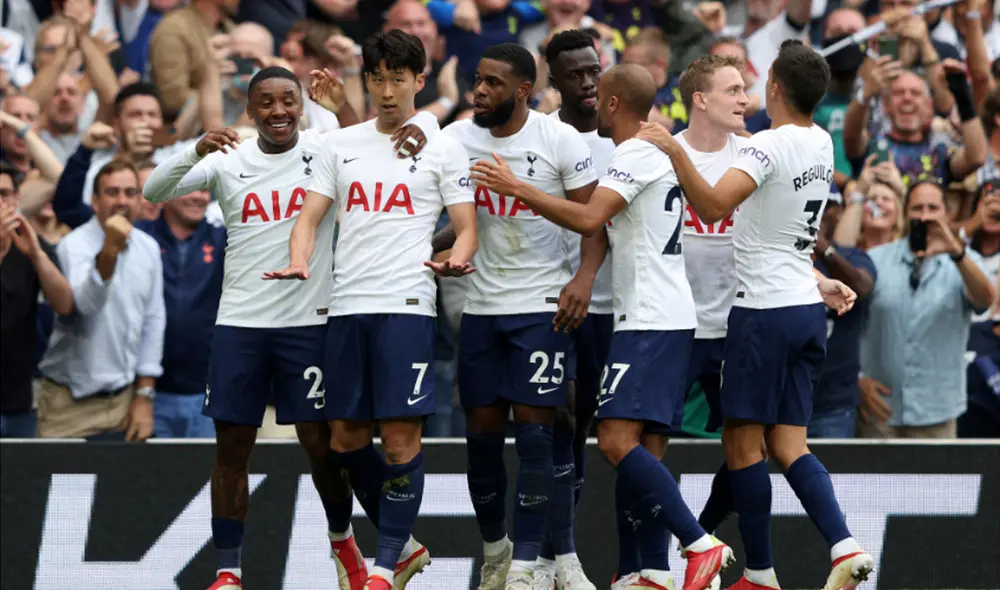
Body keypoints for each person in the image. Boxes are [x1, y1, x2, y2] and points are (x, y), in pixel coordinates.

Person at [142, 66, 438, 590]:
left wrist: (425, 120)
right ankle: (229, 572)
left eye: (288, 101)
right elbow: (154, 189)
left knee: (323, 447)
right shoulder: (229, 158)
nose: (278, 111)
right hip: (240, 324)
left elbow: (373, 139)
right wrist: (194, 151)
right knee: (232, 448)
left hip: (310, 322)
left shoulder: (324, 150)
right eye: (266, 102)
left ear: (301, 107)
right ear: (250, 110)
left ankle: (344, 541)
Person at [472, 62, 735, 590]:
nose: (592, 103)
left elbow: (589, 218)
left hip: (648, 321)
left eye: (601, 97)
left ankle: (699, 543)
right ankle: (651, 570)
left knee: (614, 441)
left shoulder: (635, 153)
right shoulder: (657, 152)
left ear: (613, 103)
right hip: (669, 316)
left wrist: (516, 187)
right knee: (646, 451)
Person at [636, 40, 873, 590]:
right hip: (805, 307)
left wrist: (674, 151)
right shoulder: (820, 141)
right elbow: (783, 227)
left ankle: (760, 573)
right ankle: (844, 544)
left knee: (743, 446)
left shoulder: (764, 146)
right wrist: (819, 279)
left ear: (775, 88)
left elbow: (712, 205)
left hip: (762, 312)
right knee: (789, 445)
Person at [267, 30, 478, 590]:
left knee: (401, 440)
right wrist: (298, 259)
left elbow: (466, 227)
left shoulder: (442, 146)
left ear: (419, 80)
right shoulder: (340, 144)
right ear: (366, 81)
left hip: (406, 306)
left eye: (398, 79)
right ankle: (402, 548)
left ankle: (383, 567)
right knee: (344, 441)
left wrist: (458, 257)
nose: (388, 91)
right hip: (346, 307)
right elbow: (309, 217)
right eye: (378, 79)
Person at [440, 42, 602, 590]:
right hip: (481, 308)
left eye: (493, 83)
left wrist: (583, 279)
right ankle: (496, 553)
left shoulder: (558, 139)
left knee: (537, 439)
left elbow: (593, 221)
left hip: (541, 307)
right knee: (481, 442)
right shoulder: (456, 139)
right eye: (478, 81)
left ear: (523, 91)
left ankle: (528, 568)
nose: (480, 91)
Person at [528, 28, 612, 590]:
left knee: (582, 430)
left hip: (612, 307)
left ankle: (558, 554)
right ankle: (558, 556)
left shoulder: (626, 139)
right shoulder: (541, 136)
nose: (587, 82)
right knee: (559, 420)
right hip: (553, 302)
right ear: (553, 80)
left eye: (593, 70)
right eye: (575, 74)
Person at [36, 159, 163, 441]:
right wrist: (109, 250)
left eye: (130, 193)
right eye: (112, 192)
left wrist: (144, 395)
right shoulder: (72, 246)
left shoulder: (149, 248)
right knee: (58, 472)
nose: (122, 201)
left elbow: (153, 322)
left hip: (123, 403)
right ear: (95, 201)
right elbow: (85, 306)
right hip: (68, 405)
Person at [0, 163, 73, 438]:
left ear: (16, 199)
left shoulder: (32, 244)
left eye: (4, 194)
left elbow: (65, 305)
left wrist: (36, 256)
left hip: (19, 398)